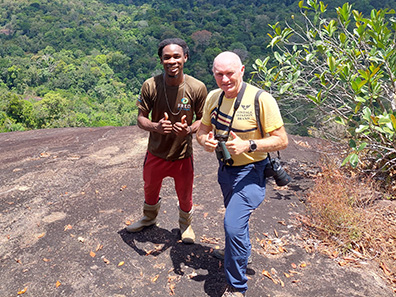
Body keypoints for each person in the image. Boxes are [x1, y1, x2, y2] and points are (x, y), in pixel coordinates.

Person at [196, 51, 288, 296]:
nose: (225, 79)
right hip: (225, 170)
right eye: (219, 74)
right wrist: (205, 141)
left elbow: (282, 140)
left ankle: (237, 287)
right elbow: (202, 131)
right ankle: (239, 253)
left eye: (230, 73)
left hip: (251, 171)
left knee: (232, 225)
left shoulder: (261, 99)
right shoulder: (214, 98)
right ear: (213, 73)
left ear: (242, 70)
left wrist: (249, 145)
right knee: (237, 221)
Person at [126, 38, 207, 244]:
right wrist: (156, 127)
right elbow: (141, 118)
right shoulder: (150, 85)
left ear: (185, 58)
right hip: (156, 152)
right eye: (167, 57)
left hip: (182, 154)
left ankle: (185, 224)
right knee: (150, 188)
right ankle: (149, 218)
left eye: (177, 56)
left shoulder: (197, 87)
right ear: (161, 60)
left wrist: (188, 130)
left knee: (185, 191)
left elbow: (203, 120)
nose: (172, 61)